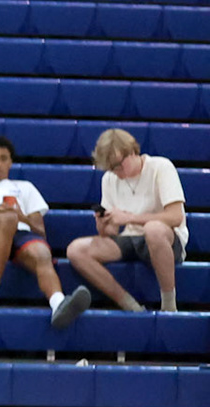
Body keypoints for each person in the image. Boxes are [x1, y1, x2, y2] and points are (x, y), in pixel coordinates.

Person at [0, 136, 87, 327]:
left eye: (3, 158)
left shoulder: (26, 187)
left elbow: (40, 231)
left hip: (21, 233)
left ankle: (58, 303)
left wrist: (20, 216)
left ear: (11, 162)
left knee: (41, 252)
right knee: (6, 218)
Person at [67, 129, 187, 314]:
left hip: (165, 238)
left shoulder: (160, 167)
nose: (116, 172)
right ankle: (130, 306)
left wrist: (130, 217)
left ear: (132, 152)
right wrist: (104, 225)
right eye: (111, 168)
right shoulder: (109, 178)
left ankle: (169, 305)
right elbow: (112, 232)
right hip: (130, 237)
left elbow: (175, 217)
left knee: (153, 230)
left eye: (118, 166)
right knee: (76, 250)